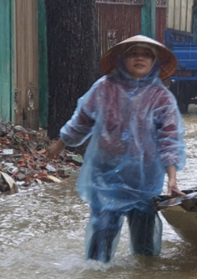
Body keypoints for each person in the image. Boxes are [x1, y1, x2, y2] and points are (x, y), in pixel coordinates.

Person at [46, 35, 186, 263]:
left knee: (144, 242)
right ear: (122, 59)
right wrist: (62, 142)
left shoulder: (161, 97)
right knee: (102, 233)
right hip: (106, 173)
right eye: (133, 53)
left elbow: (169, 139)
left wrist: (172, 179)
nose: (139, 58)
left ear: (154, 63)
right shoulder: (104, 88)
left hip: (145, 176)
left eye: (147, 54)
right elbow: (82, 120)